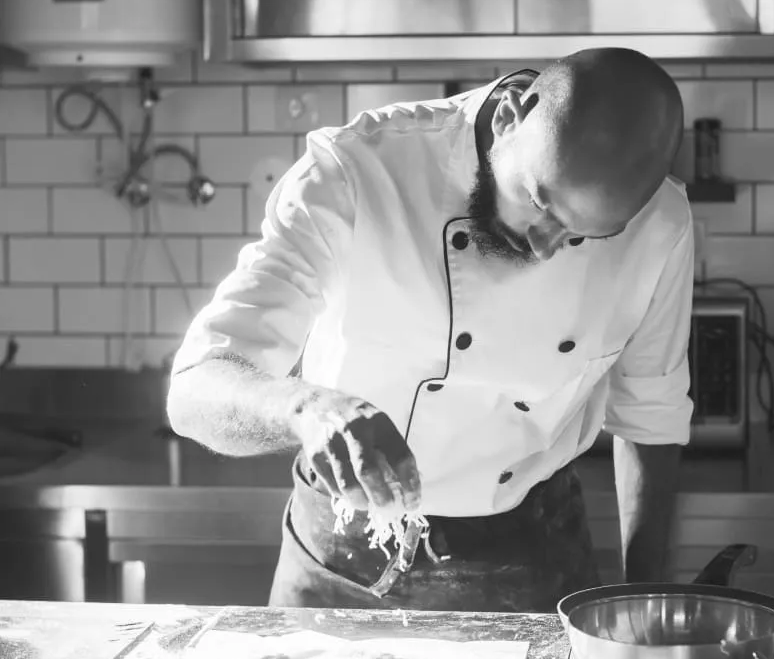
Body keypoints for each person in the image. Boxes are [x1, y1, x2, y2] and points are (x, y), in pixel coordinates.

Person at [167, 48, 694, 612]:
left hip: (533, 558)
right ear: (511, 115)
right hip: (338, 565)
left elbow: (650, 417)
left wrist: (648, 600)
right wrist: (307, 412)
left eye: (581, 236)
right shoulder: (355, 173)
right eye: (540, 202)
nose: (544, 245)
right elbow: (195, 390)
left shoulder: (661, 226)